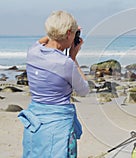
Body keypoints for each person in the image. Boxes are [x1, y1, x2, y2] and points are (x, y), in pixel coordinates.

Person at [18, 11, 89, 158]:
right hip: (58, 127)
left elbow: (45, 40)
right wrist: (73, 58)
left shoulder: (33, 51)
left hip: (35, 123)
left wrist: (61, 31)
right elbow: (84, 90)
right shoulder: (65, 63)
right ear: (69, 34)